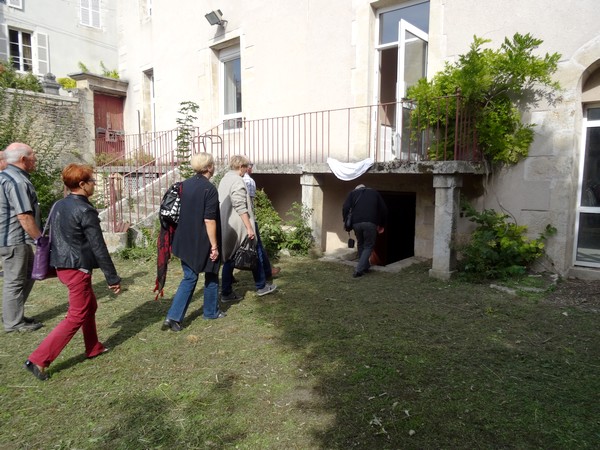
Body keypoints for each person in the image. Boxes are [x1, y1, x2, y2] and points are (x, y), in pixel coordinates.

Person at [24, 164, 121, 381]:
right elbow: (99, 247)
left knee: (90, 305)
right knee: (77, 314)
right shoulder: (85, 210)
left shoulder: (60, 204)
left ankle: (93, 347)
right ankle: (38, 359)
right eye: (91, 181)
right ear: (81, 184)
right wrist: (112, 278)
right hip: (76, 268)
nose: (94, 184)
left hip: (63, 266)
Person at [161, 153, 224, 331]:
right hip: (203, 240)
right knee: (211, 273)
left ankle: (173, 317)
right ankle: (210, 311)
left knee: (189, 277)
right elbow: (209, 220)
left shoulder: (184, 185)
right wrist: (214, 246)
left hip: (184, 239)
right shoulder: (209, 189)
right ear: (209, 167)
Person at [219, 155, 277, 300]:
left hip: (227, 224)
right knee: (254, 253)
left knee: (229, 258)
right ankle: (261, 286)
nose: (247, 168)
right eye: (246, 166)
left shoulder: (225, 178)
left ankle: (226, 292)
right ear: (241, 167)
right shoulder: (238, 181)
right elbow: (240, 206)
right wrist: (249, 227)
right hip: (239, 226)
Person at [0, 143, 44, 332]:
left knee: (28, 274)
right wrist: (41, 240)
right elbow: (24, 216)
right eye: (33, 155)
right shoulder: (16, 181)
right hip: (14, 239)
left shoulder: (4, 176)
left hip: (12, 239)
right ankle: (13, 323)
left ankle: (13, 314)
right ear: (23, 159)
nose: (35, 159)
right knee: (15, 280)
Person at [242, 162, 280, 281]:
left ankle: (228, 281)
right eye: (250, 166)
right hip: (248, 218)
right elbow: (249, 203)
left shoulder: (232, 180)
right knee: (258, 247)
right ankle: (264, 276)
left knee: (235, 248)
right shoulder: (249, 181)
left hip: (238, 218)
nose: (252, 168)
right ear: (246, 168)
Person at [342, 184, 388, 278]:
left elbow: (345, 208)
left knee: (361, 243)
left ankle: (365, 266)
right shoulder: (375, 193)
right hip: (371, 223)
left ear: (357, 189)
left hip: (356, 224)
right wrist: (381, 224)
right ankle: (359, 269)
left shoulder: (352, 193)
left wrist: (346, 221)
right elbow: (384, 210)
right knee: (368, 245)